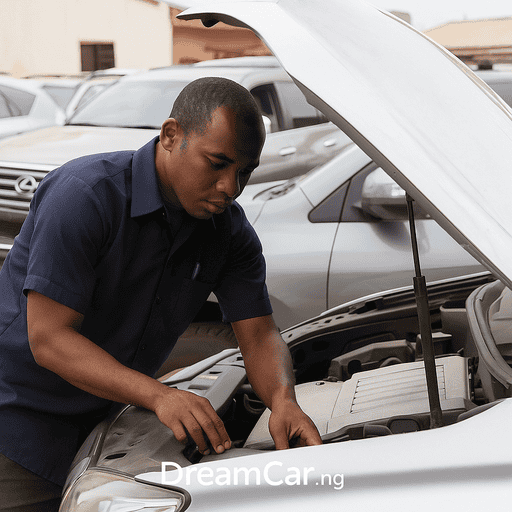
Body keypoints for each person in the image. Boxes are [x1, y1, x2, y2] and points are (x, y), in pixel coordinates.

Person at [0, 77, 322, 510]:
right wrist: (160, 395)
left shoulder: (229, 233)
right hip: (17, 425)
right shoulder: (84, 196)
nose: (231, 187)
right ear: (171, 135)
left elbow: (260, 335)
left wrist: (283, 402)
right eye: (217, 163)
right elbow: (49, 340)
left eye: (244, 171)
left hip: (108, 426)